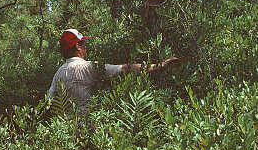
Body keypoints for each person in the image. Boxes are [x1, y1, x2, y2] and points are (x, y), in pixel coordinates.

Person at [49, 28, 177, 114]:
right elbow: (125, 68)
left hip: (68, 133)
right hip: (90, 130)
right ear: (77, 46)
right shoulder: (89, 67)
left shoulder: (58, 74)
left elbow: (50, 101)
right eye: (83, 43)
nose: (85, 46)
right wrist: (159, 65)